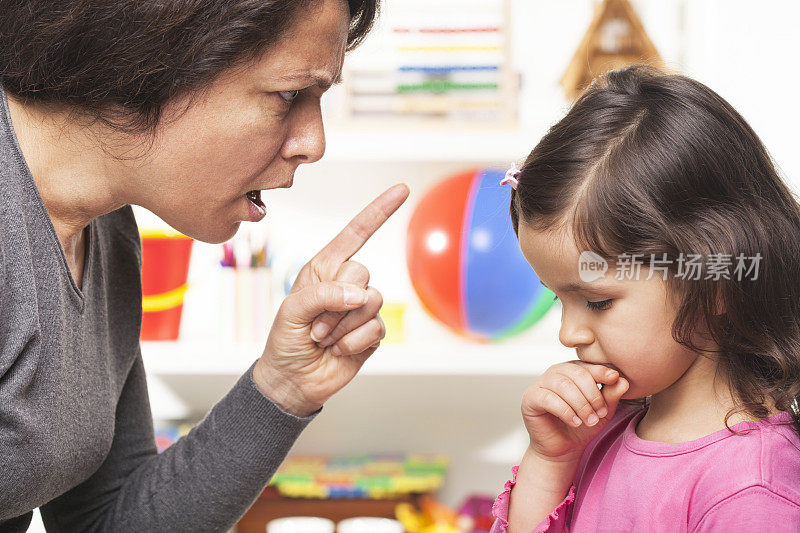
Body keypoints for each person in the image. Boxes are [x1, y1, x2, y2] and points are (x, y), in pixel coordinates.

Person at [0, 0, 410, 530]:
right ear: (156, 54)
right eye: (289, 95)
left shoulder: (107, 230)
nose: (315, 144)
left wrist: (282, 387)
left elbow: (105, 521)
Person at [489, 66, 800, 532]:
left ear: (713, 282)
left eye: (596, 302)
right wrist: (550, 460)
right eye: (558, 299)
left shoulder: (751, 491)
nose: (567, 333)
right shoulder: (600, 433)